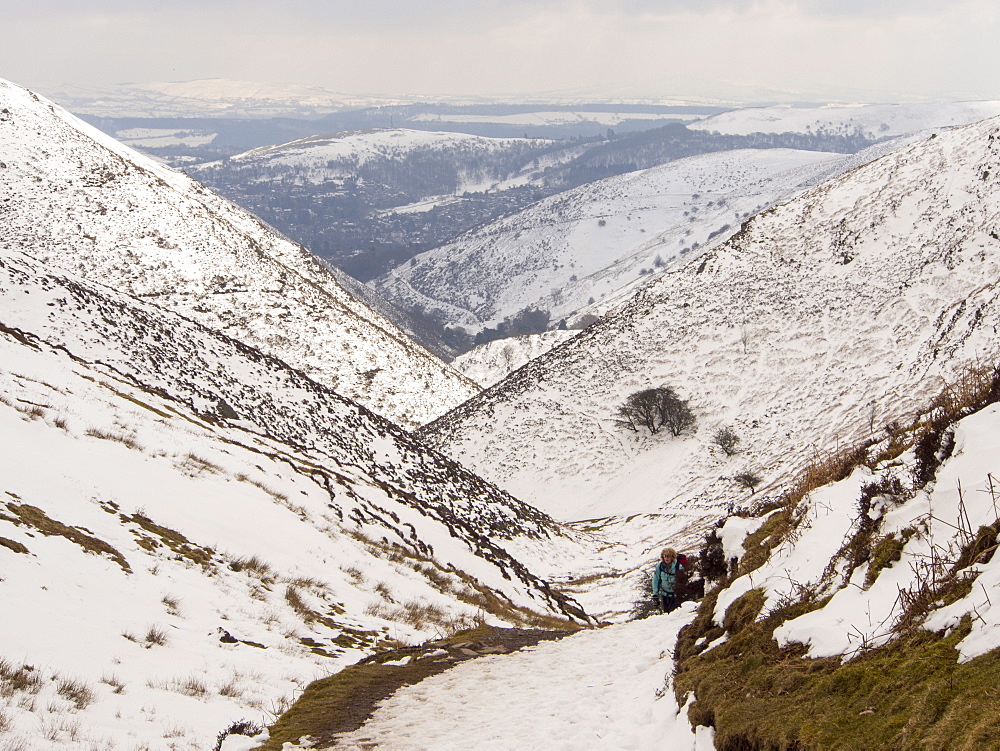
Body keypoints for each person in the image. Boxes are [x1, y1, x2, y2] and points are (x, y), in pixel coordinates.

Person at [652, 547, 684, 613]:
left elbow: (683, 580)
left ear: (672, 557)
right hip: (665, 595)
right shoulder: (660, 566)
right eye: (665, 556)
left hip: (676, 596)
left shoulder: (678, 566)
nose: (666, 558)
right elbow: (656, 580)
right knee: (667, 614)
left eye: (668, 556)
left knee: (675, 614)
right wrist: (655, 595)